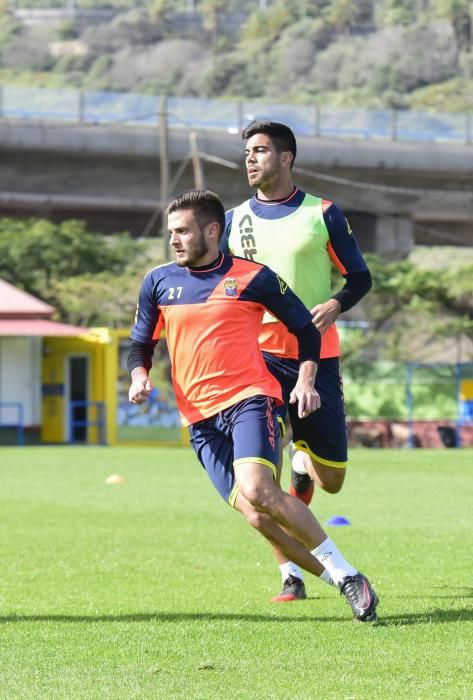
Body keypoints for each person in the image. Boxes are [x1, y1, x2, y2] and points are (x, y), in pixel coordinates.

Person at [128, 188, 378, 623]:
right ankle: (343, 579)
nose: (175, 240)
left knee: (259, 489)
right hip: (198, 418)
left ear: (211, 230)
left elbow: (305, 328)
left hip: (250, 397)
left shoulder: (253, 277)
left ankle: (348, 576)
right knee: (256, 515)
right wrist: (139, 374)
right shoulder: (158, 281)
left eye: (183, 231)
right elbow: (140, 344)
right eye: (172, 233)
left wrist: (305, 379)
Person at [221, 121, 373, 603]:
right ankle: (291, 574)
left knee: (332, 481)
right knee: (257, 485)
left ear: (286, 158)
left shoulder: (322, 213)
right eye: (247, 151)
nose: (250, 159)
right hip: (256, 362)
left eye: (261, 151)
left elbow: (360, 277)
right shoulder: (231, 221)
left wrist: (336, 304)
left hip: (317, 357)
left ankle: (304, 464)